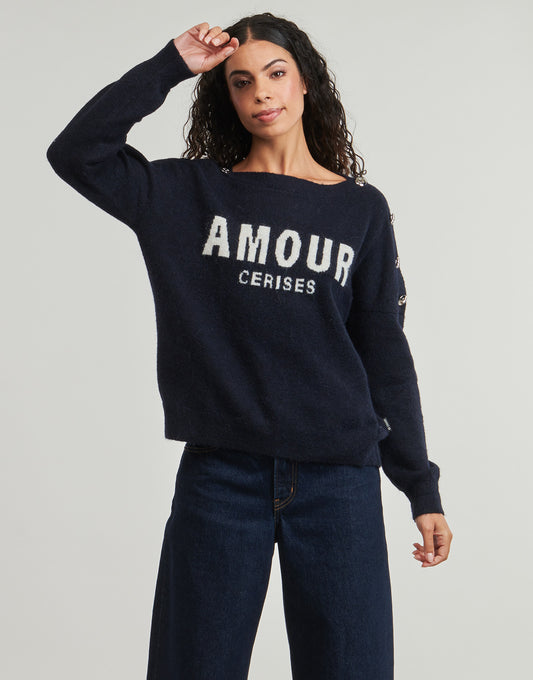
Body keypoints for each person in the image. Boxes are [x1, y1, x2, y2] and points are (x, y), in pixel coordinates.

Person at [46, 12, 453, 680]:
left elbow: (383, 352)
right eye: (241, 81)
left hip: (338, 481)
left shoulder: (359, 210)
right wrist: (170, 65)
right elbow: (77, 153)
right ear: (226, 96)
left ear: (305, 83)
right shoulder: (187, 196)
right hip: (221, 477)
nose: (261, 91)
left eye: (275, 73)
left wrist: (420, 485)